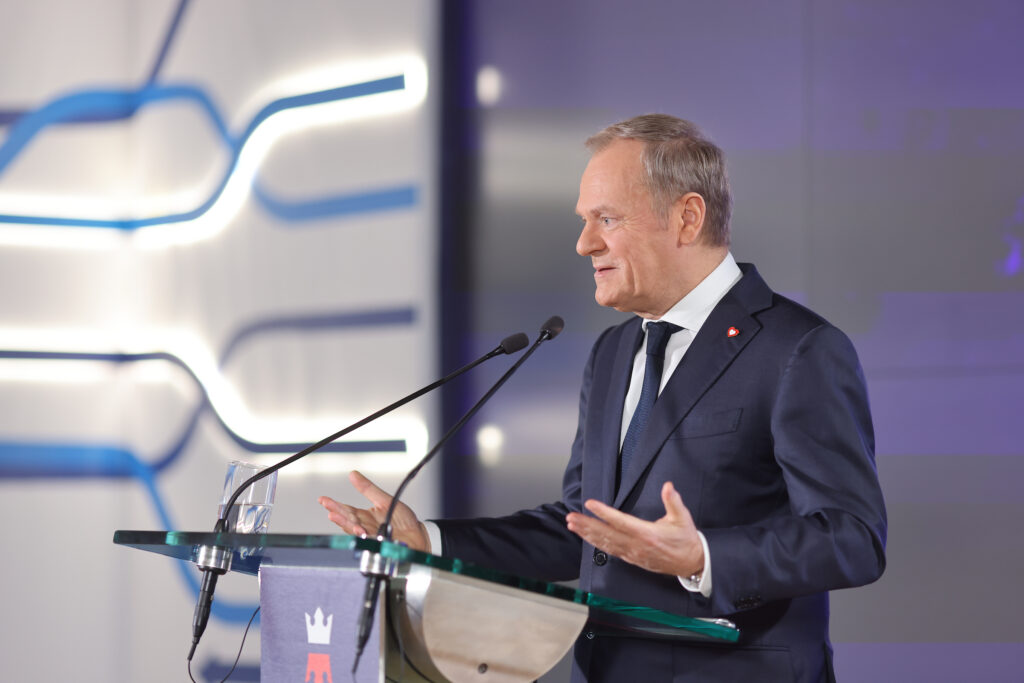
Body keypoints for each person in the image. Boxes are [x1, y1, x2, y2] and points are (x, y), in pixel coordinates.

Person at [319, 114, 887, 682]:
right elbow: (583, 528)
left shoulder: (797, 349)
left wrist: (704, 557)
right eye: (585, 221)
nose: (584, 243)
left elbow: (853, 537)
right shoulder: (614, 352)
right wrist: (433, 540)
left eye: (607, 219)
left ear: (687, 218)